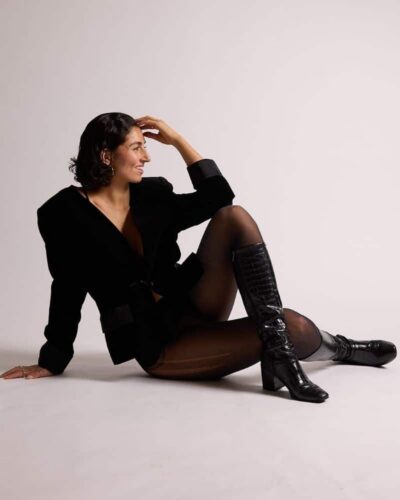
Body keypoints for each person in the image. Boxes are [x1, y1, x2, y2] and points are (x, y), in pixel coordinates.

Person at [1, 113, 396, 403]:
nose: (146, 157)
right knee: (290, 325)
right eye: (136, 147)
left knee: (233, 217)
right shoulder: (63, 214)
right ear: (106, 156)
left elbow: (218, 198)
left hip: (190, 301)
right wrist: (53, 359)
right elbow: (66, 285)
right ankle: (327, 351)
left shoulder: (153, 194)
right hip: (158, 340)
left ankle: (295, 354)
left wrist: (177, 140)